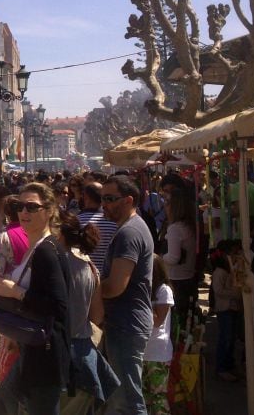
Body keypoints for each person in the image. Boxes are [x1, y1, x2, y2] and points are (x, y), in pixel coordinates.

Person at [0, 184, 70, 415]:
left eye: (32, 207)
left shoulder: (46, 251)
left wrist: (15, 292)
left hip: (44, 353)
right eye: (20, 206)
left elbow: (58, 305)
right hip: (28, 347)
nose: (24, 212)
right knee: (0, 406)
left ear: (50, 210)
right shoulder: (36, 247)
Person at [100, 175, 154, 415]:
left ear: (128, 200)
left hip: (126, 322)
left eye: (110, 199)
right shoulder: (128, 228)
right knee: (121, 398)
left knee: (128, 401)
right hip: (126, 321)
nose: (105, 205)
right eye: (103, 199)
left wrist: (85, 288)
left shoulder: (128, 233)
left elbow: (115, 286)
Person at [56, 211, 120, 413]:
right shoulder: (90, 268)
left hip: (56, 357)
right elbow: (97, 316)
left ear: (59, 234)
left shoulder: (51, 265)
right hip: (84, 356)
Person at [143, 255, 174, 415]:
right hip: (143, 352)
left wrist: (142, 297)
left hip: (158, 354)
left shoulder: (164, 291)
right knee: (144, 397)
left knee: (158, 398)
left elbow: (157, 321)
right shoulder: (147, 289)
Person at [162, 187, 197, 328]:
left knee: (177, 322)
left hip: (176, 279)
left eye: (168, 202)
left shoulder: (175, 228)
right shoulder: (188, 225)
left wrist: (158, 257)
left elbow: (173, 258)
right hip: (187, 276)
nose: (165, 205)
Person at [212, 240, 242, 382]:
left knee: (232, 337)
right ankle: (222, 367)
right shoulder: (220, 272)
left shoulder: (233, 269)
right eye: (234, 252)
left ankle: (229, 364)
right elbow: (218, 291)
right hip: (225, 308)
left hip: (233, 307)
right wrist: (235, 293)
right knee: (226, 337)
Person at [76, 182, 118, 271]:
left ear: (86, 197)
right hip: (108, 276)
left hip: (84, 275)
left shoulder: (76, 221)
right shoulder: (114, 222)